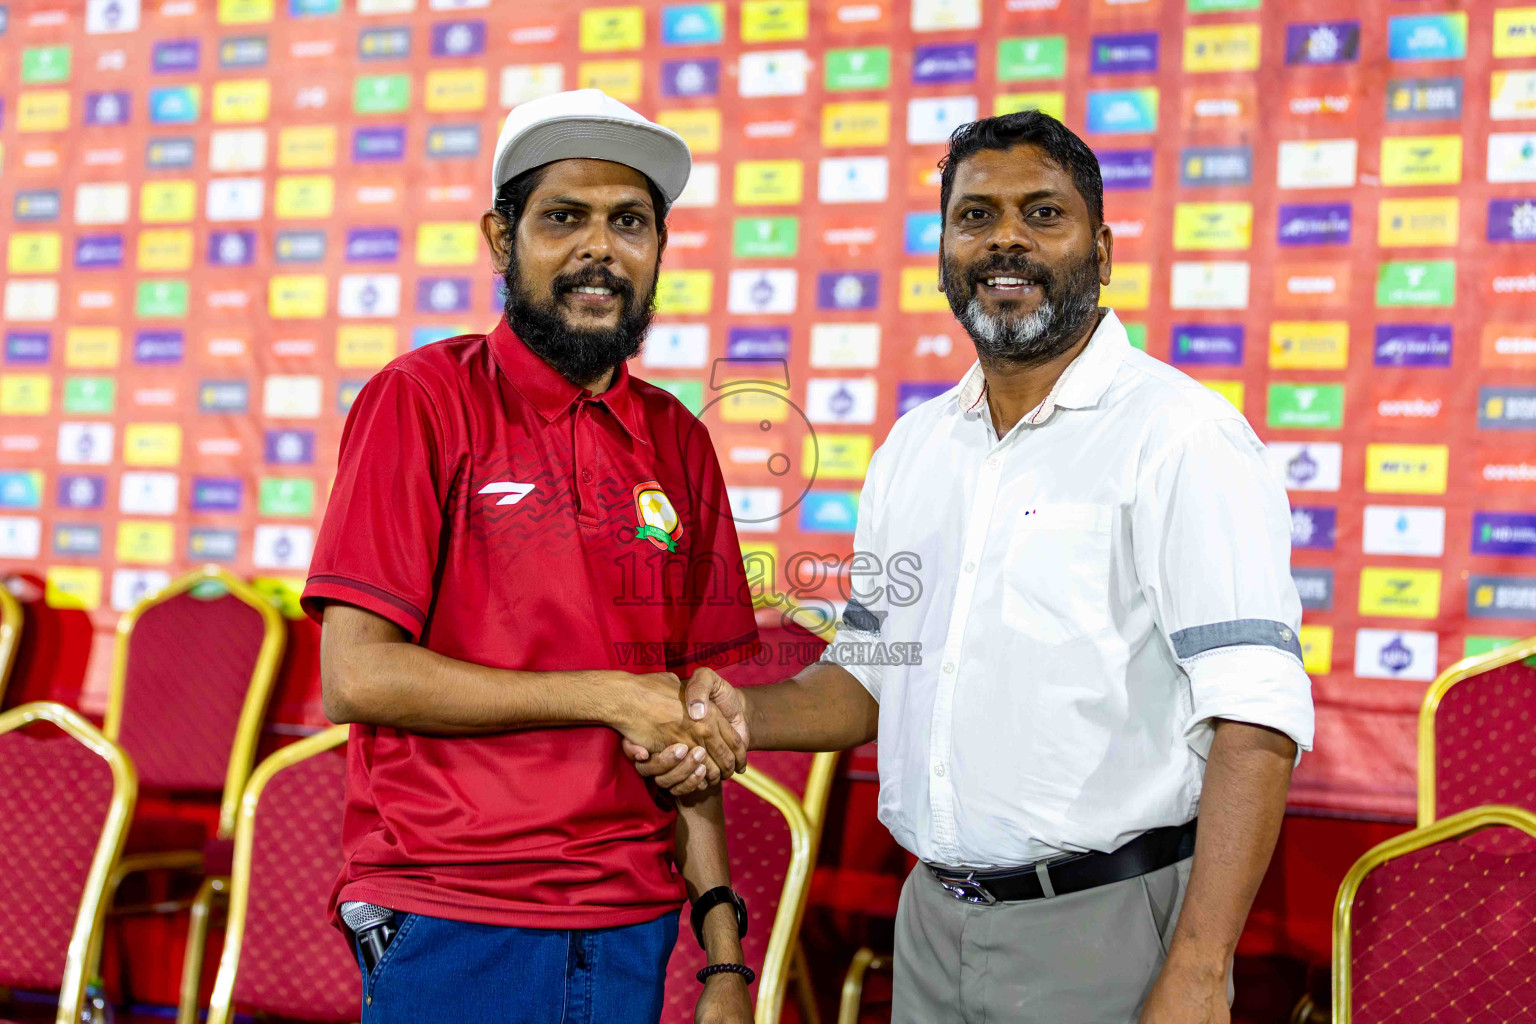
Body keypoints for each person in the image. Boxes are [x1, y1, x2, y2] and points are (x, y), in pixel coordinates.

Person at [631, 110, 1315, 1024]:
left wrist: (1197, 967)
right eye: (975, 215)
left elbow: (1254, 720)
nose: (1005, 239)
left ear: (1101, 248)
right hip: (931, 928)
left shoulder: (1183, 437)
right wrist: (723, 713)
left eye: (1042, 214)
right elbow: (867, 683)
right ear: (944, 249)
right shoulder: (915, 449)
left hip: (1108, 931)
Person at [302, 89, 758, 1024]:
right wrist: (603, 692)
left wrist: (723, 959)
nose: (600, 247)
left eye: (629, 222)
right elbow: (356, 676)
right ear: (501, 240)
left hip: (637, 922)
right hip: (452, 913)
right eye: (564, 218)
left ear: (659, 251)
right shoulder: (421, 400)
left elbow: (690, 723)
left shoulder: (678, 439)